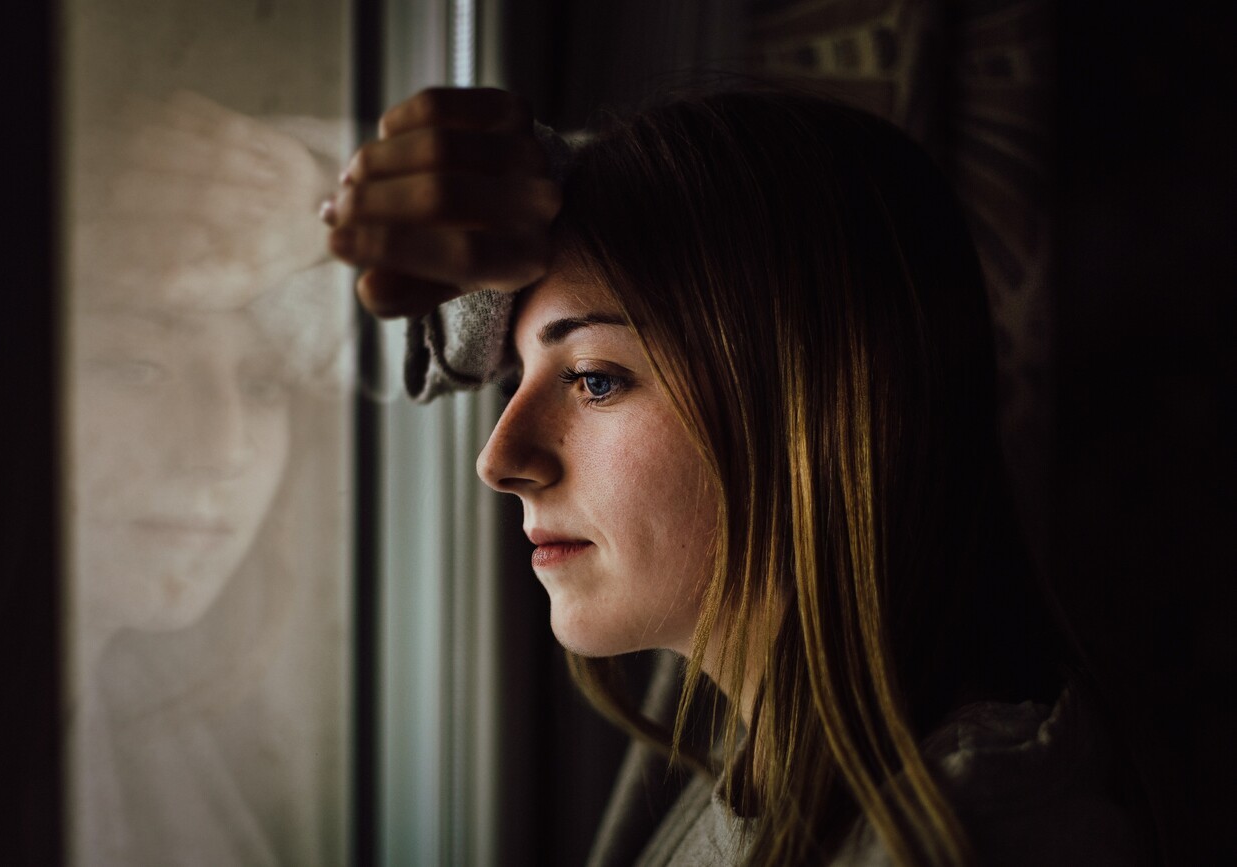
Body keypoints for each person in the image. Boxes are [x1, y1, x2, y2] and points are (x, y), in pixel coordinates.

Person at [326, 86, 1145, 865]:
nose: (499, 461)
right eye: (519, 375)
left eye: (596, 379)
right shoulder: (761, 732)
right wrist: (532, 189)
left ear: (809, 406)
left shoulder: (958, 835)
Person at [70, 91, 353, 866]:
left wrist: (323, 200)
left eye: (264, 384)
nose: (222, 448)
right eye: (136, 366)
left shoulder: (175, 725)